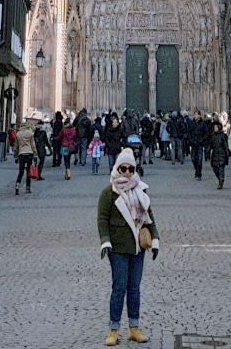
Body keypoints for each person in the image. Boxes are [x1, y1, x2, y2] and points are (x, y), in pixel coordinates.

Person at [97, 148, 159, 346]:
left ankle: (134, 328)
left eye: (130, 169)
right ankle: (113, 329)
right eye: (123, 168)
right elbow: (102, 219)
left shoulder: (140, 189)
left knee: (134, 288)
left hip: (138, 247)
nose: (126, 172)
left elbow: (149, 218)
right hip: (117, 248)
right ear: (117, 167)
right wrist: (105, 241)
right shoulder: (109, 192)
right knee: (119, 288)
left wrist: (155, 240)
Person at [14, 118, 38, 195]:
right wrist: (35, 154)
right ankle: (28, 188)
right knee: (28, 171)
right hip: (29, 153)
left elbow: (16, 147)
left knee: (21, 171)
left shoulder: (18, 134)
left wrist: (15, 156)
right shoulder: (30, 133)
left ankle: (17, 185)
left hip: (21, 154)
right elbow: (33, 145)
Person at [186, 110, 208, 181]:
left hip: (200, 144)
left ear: (199, 115)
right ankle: (197, 170)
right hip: (193, 143)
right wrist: (190, 140)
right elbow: (188, 132)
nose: (195, 116)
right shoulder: (191, 123)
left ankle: (199, 174)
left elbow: (206, 133)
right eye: (194, 115)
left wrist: (202, 140)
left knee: (199, 159)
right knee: (193, 159)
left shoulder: (203, 124)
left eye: (196, 115)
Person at [209, 121, 229, 190]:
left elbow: (226, 146)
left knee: (221, 169)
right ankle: (220, 179)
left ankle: (221, 182)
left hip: (222, 154)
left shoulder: (223, 135)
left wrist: (227, 155)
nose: (215, 128)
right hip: (214, 154)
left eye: (216, 127)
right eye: (214, 127)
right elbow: (210, 145)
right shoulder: (213, 135)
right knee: (215, 169)